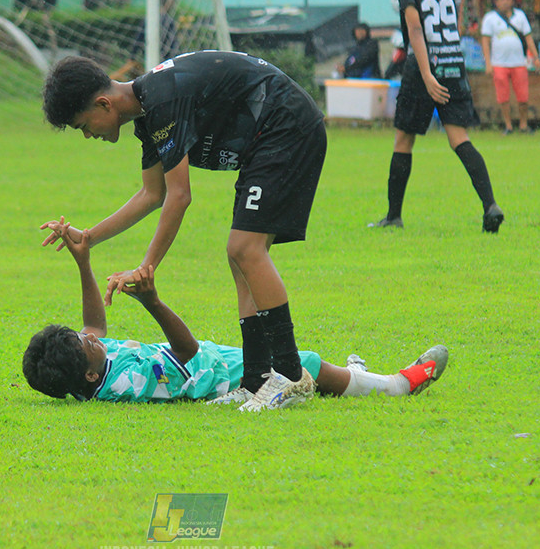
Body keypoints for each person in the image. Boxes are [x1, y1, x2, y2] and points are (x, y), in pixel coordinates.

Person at [40, 50, 327, 411]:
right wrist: (89, 236)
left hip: (287, 127)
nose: (87, 135)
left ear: (103, 104)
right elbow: (152, 194)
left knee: (245, 248)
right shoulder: (148, 114)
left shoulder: (162, 100)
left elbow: (180, 195)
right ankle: (256, 380)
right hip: (267, 140)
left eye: (84, 125)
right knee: (240, 258)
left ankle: (289, 374)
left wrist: (147, 268)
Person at [24, 218, 449, 406]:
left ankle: (355, 378)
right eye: (87, 346)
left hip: (213, 361)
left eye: (83, 338)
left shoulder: (86, 379)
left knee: (295, 359)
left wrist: (83, 261)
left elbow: (94, 324)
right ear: (91, 375)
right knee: (303, 365)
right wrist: (153, 301)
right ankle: (395, 386)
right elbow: (187, 355)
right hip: (218, 377)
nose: (92, 338)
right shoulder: (130, 382)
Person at [370, 0, 504, 233]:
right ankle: (490, 204)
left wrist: (427, 74)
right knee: (459, 138)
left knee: (403, 139)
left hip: (423, 68)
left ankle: (393, 216)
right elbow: (452, 25)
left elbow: (416, 28)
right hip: (453, 63)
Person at [481, 0, 540, 135]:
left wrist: (535, 56)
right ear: (496, 1)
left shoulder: (520, 16)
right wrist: (488, 63)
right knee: (503, 96)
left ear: (512, 1)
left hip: (519, 63)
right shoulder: (490, 18)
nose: (505, 2)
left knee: (523, 96)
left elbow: (528, 37)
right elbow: (485, 41)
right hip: (499, 63)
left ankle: (523, 124)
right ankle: (508, 125)